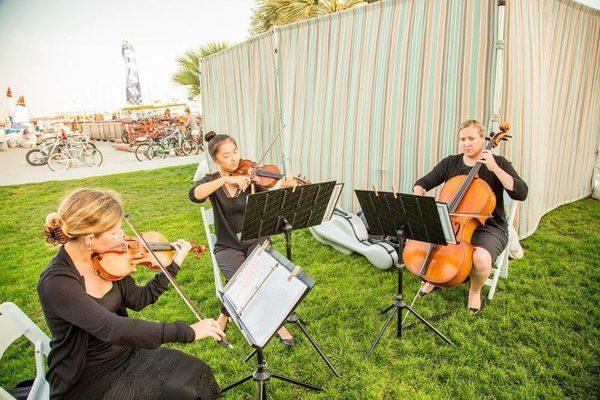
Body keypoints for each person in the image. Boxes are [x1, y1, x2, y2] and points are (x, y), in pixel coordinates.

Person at [38, 188, 223, 399]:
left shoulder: (105, 259)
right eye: (115, 233)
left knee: (197, 374)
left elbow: (138, 299)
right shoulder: (57, 283)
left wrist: (172, 267)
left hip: (125, 352)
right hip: (89, 376)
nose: (123, 238)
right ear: (89, 238)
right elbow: (113, 328)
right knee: (180, 394)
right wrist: (186, 331)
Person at [189, 131, 299, 346]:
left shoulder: (252, 176)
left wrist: (281, 186)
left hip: (255, 239)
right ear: (215, 160)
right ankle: (227, 314)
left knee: (261, 276)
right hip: (228, 245)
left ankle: (271, 322)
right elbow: (195, 195)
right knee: (242, 280)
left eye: (235, 152)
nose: (234, 158)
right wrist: (226, 179)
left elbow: (269, 199)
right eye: (226, 155)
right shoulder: (212, 181)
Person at [413, 120, 528, 313]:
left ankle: (475, 291)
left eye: (472, 139)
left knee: (481, 259)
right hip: (454, 223)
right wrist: (419, 191)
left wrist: (495, 169)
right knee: (431, 242)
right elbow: (423, 182)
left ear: (483, 139)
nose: (467, 143)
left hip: (489, 227)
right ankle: (434, 278)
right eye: (462, 139)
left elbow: (521, 193)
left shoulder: (498, 163)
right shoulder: (451, 162)